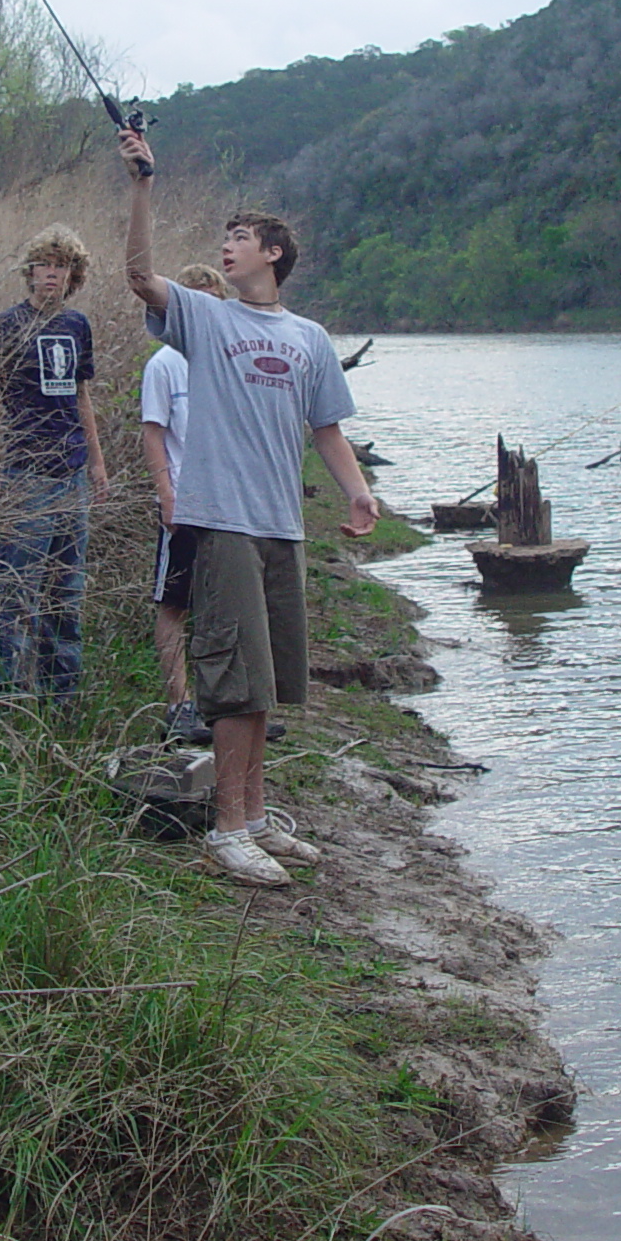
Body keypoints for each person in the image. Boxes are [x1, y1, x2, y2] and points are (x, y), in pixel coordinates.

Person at [117, 124, 374, 888]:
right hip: (221, 521)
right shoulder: (205, 315)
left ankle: (257, 817)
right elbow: (137, 276)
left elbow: (325, 427)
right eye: (225, 237)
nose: (226, 247)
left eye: (241, 238)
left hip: (282, 528)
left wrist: (357, 491)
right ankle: (227, 830)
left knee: (266, 685)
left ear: (274, 256)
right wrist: (141, 185)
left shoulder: (309, 338)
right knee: (231, 684)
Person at [0, 225, 110, 698]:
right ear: (29, 273)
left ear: (74, 276)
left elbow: (82, 394)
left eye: (62, 266)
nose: (52, 274)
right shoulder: (7, 324)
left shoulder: (77, 326)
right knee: (19, 591)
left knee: (67, 593)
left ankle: (61, 698)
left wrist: (96, 460)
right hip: (27, 473)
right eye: (44, 266)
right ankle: (10, 698)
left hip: (72, 476)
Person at [142, 262, 229, 745]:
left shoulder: (230, 360)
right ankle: (178, 703)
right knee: (174, 603)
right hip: (185, 503)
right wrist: (166, 496)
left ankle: (226, 704)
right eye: (193, 298)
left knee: (225, 606)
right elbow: (153, 432)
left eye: (210, 297)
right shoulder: (165, 364)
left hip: (231, 504)